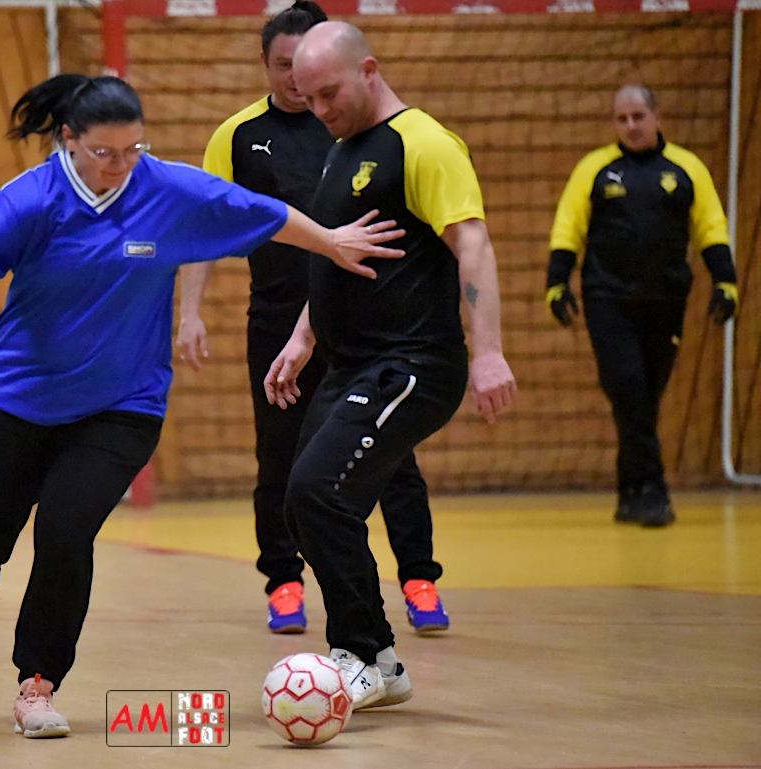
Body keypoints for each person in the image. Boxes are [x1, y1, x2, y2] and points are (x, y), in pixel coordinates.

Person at [0, 73, 406, 739]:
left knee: (66, 531)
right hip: (19, 401)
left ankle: (38, 683)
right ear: (69, 140)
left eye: (134, 148)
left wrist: (331, 242)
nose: (120, 165)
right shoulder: (35, 198)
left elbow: (264, 213)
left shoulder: (167, 188)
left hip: (122, 407)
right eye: (105, 152)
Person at [177, 1, 452, 636]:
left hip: (368, 323)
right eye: (284, 66)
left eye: (307, 68)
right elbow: (207, 228)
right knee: (280, 457)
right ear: (267, 65)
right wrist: (189, 312)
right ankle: (283, 582)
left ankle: (418, 577)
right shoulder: (237, 136)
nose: (298, 82)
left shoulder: (357, 131)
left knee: (391, 456)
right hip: (278, 324)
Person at [266, 22, 517, 711]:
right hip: (350, 365)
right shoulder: (341, 150)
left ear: (369, 70)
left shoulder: (424, 144)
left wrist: (488, 351)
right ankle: (375, 659)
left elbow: (473, 245)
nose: (319, 109)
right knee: (302, 505)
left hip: (411, 364)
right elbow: (341, 256)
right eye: (308, 98)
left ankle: (364, 654)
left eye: (329, 93)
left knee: (320, 490)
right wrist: (303, 336)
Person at [546, 84, 739, 528]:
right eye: (622, 119)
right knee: (628, 387)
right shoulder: (595, 169)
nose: (630, 126)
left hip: (666, 300)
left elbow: (710, 227)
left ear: (657, 117)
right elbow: (568, 227)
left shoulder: (687, 169)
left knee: (647, 396)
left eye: (638, 116)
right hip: (608, 299)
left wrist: (725, 281)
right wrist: (556, 283)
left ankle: (629, 488)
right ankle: (653, 490)